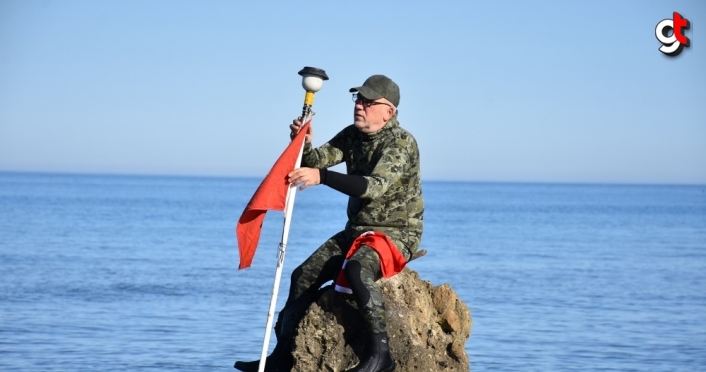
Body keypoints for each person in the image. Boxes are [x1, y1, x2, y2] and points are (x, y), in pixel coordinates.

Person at [235, 74, 424, 372]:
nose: (360, 106)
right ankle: (283, 355)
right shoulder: (352, 135)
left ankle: (381, 355)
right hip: (357, 230)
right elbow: (318, 159)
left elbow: (373, 187)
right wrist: (303, 143)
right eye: (358, 99)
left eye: (368, 102)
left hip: (397, 233)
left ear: (389, 111)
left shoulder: (400, 143)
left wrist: (321, 177)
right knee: (302, 276)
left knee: (357, 270)